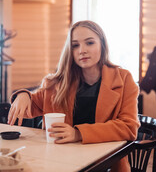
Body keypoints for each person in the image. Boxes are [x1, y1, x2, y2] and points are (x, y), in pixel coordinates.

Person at [8, 20, 140, 172]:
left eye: (89, 43)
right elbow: (31, 107)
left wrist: (78, 133)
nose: (82, 50)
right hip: (61, 161)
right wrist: (24, 95)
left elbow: (129, 128)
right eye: (75, 45)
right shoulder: (56, 83)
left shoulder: (123, 79)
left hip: (106, 164)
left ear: (102, 45)